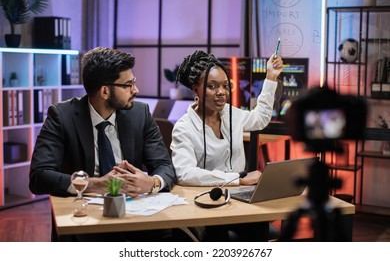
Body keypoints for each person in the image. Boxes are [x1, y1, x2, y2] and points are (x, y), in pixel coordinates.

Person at [29, 46, 177, 240]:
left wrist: (151, 182)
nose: (136, 90)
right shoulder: (61, 116)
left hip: (137, 215)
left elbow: (164, 166)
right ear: (105, 91)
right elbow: (39, 177)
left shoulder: (140, 113)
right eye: (128, 85)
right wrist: (97, 184)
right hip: (86, 218)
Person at [171, 50, 283, 241]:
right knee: (219, 231)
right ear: (195, 89)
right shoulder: (184, 128)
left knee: (258, 221)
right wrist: (237, 180)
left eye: (225, 86)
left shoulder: (232, 114)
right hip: (205, 202)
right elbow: (185, 173)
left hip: (239, 199)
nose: (221, 92)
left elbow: (260, 119)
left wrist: (271, 77)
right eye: (212, 86)